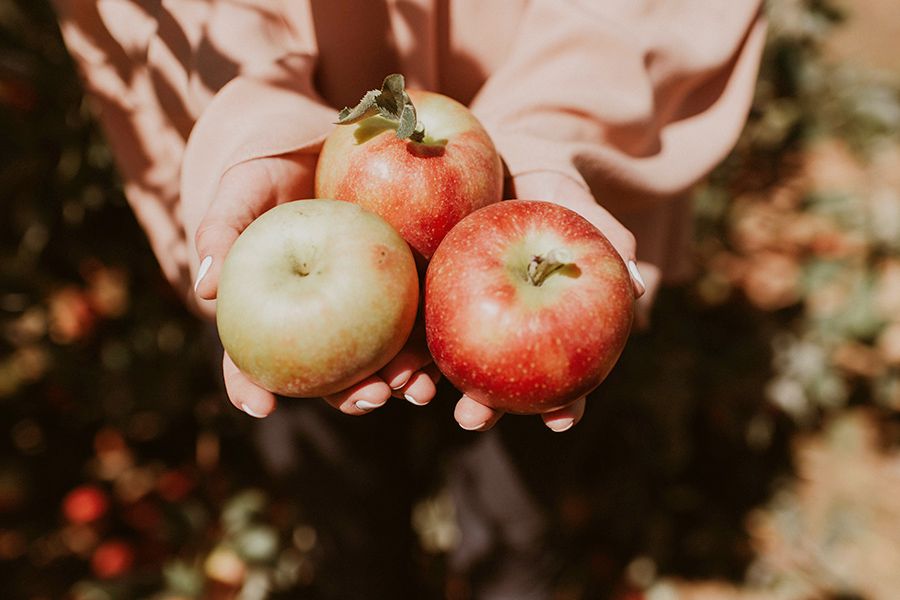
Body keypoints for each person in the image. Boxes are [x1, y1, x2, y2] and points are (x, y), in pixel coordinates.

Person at [54, 1, 766, 597]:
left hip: (543, 200)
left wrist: (554, 130)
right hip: (296, 218)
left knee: (516, 525)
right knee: (349, 519)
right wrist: (257, 119)